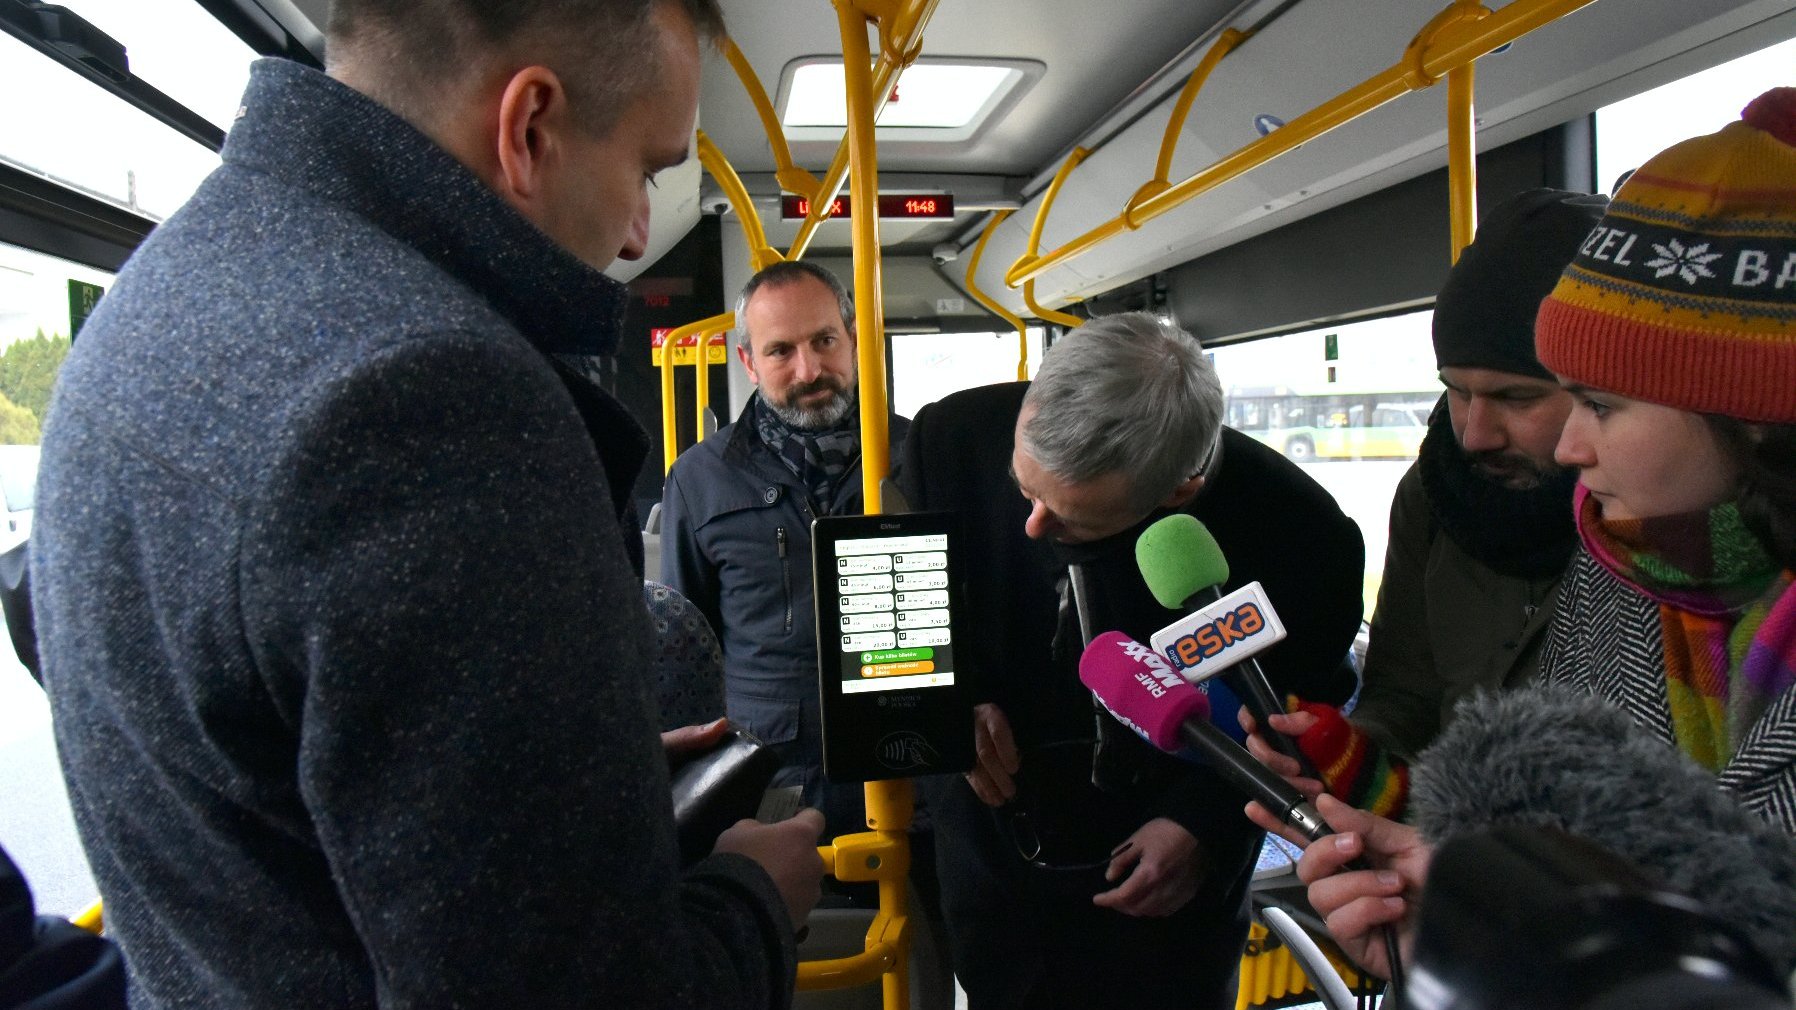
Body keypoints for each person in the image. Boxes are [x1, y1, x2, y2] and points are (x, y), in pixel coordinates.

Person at [32, 2, 828, 1007]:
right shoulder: (442, 399)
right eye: (649, 169)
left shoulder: (159, 295)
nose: (636, 232)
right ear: (530, 124)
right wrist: (755, 895)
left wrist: (579, 775)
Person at [1250, 87, 1796, 981]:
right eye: (1454, 391)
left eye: (1597, 403)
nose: (1473, 434)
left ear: (1759, 418)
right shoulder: (1635, 568)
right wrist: (1480, 924)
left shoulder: (1615, 548)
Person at [895, 312, 1363, 1009]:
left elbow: (1300, 719)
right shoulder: (948, 440)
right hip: (996, 870)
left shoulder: (1303, 536)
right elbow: (892, 617)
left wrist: (1205, 825)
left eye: (1071, 518)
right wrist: (942, 700)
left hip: (1175, 909)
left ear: (1180, 490)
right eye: (1025, 493)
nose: (1033, 528)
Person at [1245, 189, 1606, 814]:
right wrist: (1348, 758)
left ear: (1602, 390)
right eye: (1456, 392)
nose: (1474, 435)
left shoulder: (1657, 522)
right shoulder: (1436, 492)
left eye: (1517, 398)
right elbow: (1404, 696)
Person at [660, 261, 908, 836]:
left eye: (825, 340)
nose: (810, 369)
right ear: (748, 363)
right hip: (770, 771)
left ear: (852, 339)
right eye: (780, 351)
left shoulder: (916, 453)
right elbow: (687, 647)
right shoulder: (700, 479)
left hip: (907, 759)